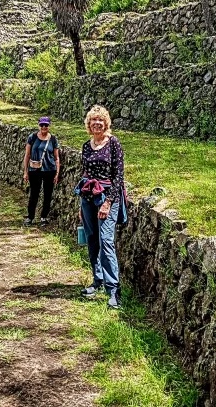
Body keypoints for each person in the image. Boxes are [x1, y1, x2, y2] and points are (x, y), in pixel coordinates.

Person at [77, 105, 126, 310]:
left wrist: (108, 202)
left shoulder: (113, 143)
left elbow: (119, 176)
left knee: (106, 241)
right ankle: (97, 280)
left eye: (100, 120)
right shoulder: (87, 146)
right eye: (93, 120)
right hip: (88, 196)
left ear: (106, 123)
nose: (97, 123)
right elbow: (85, 174)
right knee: (91, 239)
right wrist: (80, 204)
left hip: (107, 196)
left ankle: (113, 289)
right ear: (89, 124)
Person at [22, 116, 60, 227]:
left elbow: (56, 157)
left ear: (49, 126)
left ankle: (44, 217)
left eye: (46, 125)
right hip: (34, 170)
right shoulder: (32, 137)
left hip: (49, 170)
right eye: (42, 125)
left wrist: (57, 173)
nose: (44, 127)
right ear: (39, 125)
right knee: (34, 194)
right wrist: (25, 171)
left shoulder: (53, 139)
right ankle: (30, 217)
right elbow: (27, 155)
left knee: (48, 194)